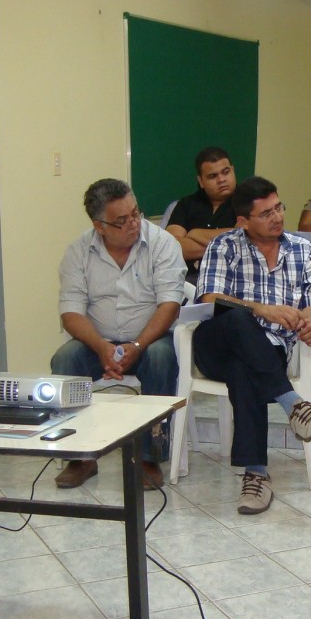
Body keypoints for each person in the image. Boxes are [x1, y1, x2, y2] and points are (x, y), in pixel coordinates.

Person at [195, 177, 311, 515]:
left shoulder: (303, 250)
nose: (277, 217)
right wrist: (259, 308)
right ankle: (293, 405)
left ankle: (255, 474)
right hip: (216, 342)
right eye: (266, 213)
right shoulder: (224, 246)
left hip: (269, 351)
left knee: (243, 369)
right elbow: (210, 299)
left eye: (279, 207)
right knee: (240, 317)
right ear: (243, 221)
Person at [50, 178, 186, 490]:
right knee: (65, 358)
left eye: (136, 214)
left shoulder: (162, 244)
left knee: (163, 356)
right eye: (122, 221)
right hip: (100, 343)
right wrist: (100, 347)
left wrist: (137, 344)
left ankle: (149, 457)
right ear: (100, 226)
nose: (133, 224)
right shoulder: (78, 252)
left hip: (151, 339)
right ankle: (81, 455)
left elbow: (169, 305)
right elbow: (70, 312)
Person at [165, 146, 238, 277]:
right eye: (212, 176)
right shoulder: (186, 204)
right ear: (201, 181)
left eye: (226, 172)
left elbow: (245, 240)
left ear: (233, 171)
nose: (221, 180)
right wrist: (224, 246)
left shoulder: (250, 202)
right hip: (186, 281)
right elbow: (171, 247)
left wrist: (194, 233)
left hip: (230, 280)